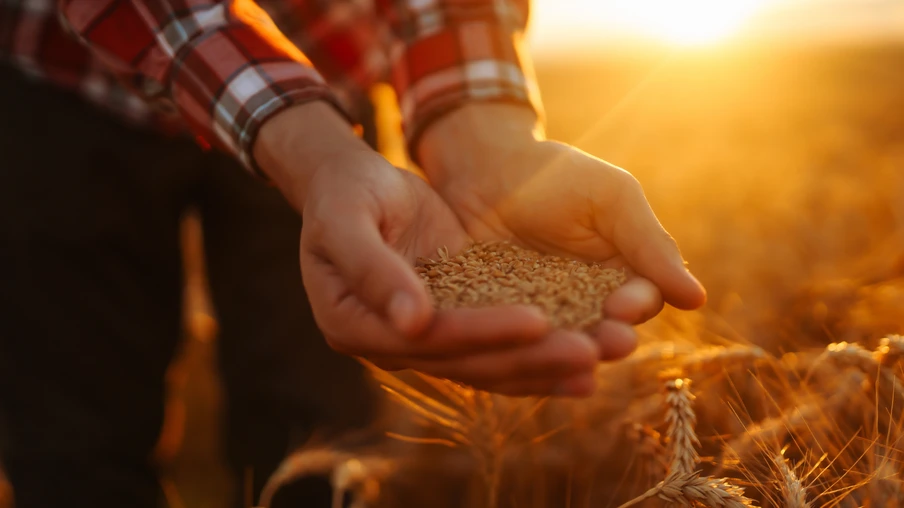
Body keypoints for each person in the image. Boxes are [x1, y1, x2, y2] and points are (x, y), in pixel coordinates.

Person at [0, 1, 706, 507]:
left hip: (323, 102)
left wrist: (478, 128)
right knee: (76, 437)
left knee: (312, 422)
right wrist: (309, 147)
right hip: (64, 86)